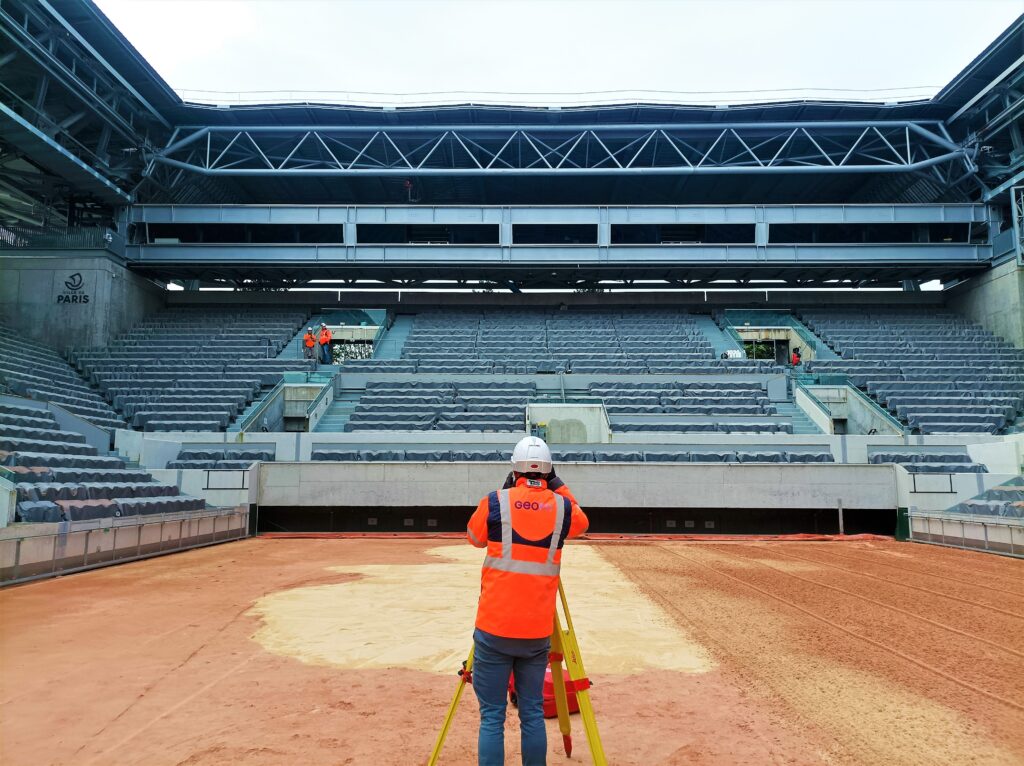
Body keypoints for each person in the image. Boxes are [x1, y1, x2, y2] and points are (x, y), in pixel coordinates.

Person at [466, 436, 588, 766]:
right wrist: (558, 485)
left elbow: (475, 537)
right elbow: (583, 522)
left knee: (492, 716)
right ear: (549, 472)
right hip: (536, 631)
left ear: (514, 469)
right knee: (532, 711)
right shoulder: (562, 508)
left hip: (493, 625)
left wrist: (505, 492)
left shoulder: (495, 502)